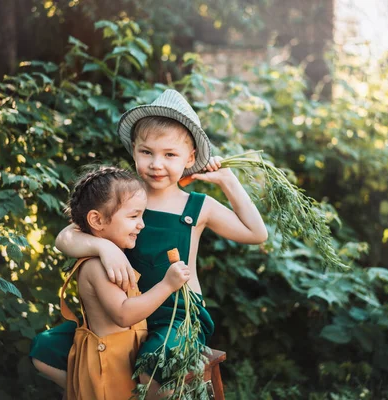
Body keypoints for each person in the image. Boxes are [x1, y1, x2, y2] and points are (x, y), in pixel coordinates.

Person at [31, 89, 268, 397]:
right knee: (45, 352)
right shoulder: (123, 194)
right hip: (122, 311)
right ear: (134, 151)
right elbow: (66, 237)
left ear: (191, 158)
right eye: (147, 152)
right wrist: (103, 247)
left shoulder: (198, 206)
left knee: (153, 368)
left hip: (175, 316)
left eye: (170, 155)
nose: (157, 164)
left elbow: (256, 233)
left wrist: (228, 182)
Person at [30, 166, 191, 399]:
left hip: (120, 354)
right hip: (108, 363)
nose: (142, 224)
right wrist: (167, 285)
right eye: (133, 216)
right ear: (97, 220)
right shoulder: (97, 266)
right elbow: (124, 315)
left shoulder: (110, 255)